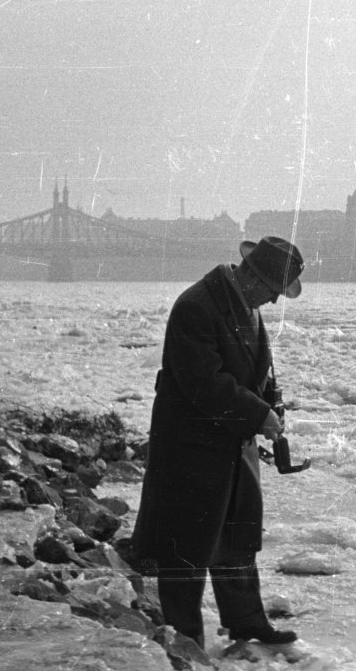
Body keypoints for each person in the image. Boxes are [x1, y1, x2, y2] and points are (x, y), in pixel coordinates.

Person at [128, 235, 304, 648]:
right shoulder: (196, 306)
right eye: (273, 291)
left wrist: (269, 405)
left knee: (238, 539)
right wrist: (257, 413)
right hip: (190, 448)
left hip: (230, 443)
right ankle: (184, 637)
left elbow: (250, 371)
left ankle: (246, 621)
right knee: (186, 547)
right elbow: (203, 382)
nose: (275, 302)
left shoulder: (243, 305)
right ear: (252, 276)